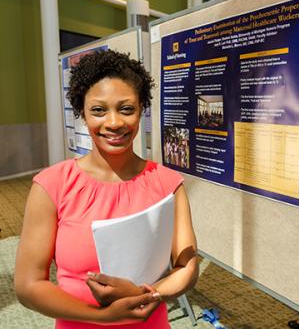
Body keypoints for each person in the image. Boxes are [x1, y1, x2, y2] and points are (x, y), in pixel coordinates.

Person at [14, 49, 198, 329]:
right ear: (82, 114)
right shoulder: (52, 185)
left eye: (126, 109)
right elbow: (28, 286)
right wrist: (103, 316)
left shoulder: (168, 184)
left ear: (140, 111)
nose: (113, 123)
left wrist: (151, 295)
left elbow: (187, 266)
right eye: (98, 110)